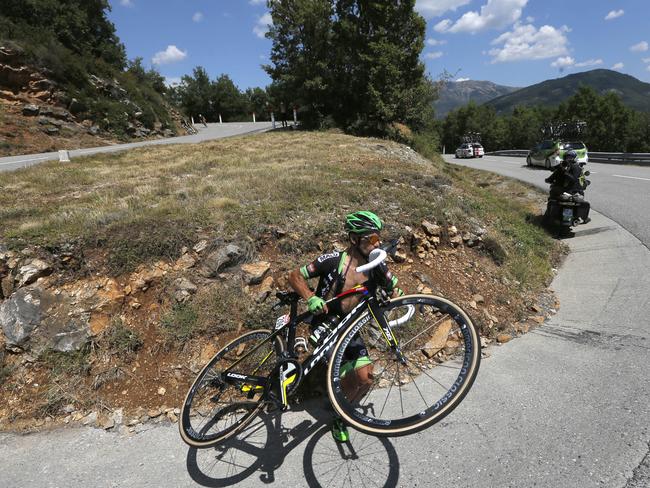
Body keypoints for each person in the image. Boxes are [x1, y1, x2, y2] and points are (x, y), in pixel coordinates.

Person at [287, 211, 404, 442]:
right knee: (338, 372)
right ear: (354, 239)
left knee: (366, 377)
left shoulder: (376, 265)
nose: (376, 243)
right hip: (326, 323)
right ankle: (330, 390)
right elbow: (294, 276)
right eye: (370, 239)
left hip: (350, 328)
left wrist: (395, 293)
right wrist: (310, 296)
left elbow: (396, 292)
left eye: (378, 238)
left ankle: (340, 413)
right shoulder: (332, 260)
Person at [545, 150, 590, 224]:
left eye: (570, 157)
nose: (569, 159)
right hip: (572, 192)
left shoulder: (573, 168)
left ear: (574, 158)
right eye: (567, 157)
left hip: (569, 192)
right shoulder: (576, 168)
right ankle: (583, 218)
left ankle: (549, 216)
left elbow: (577, 180)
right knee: (553, 197)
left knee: (553, 195)